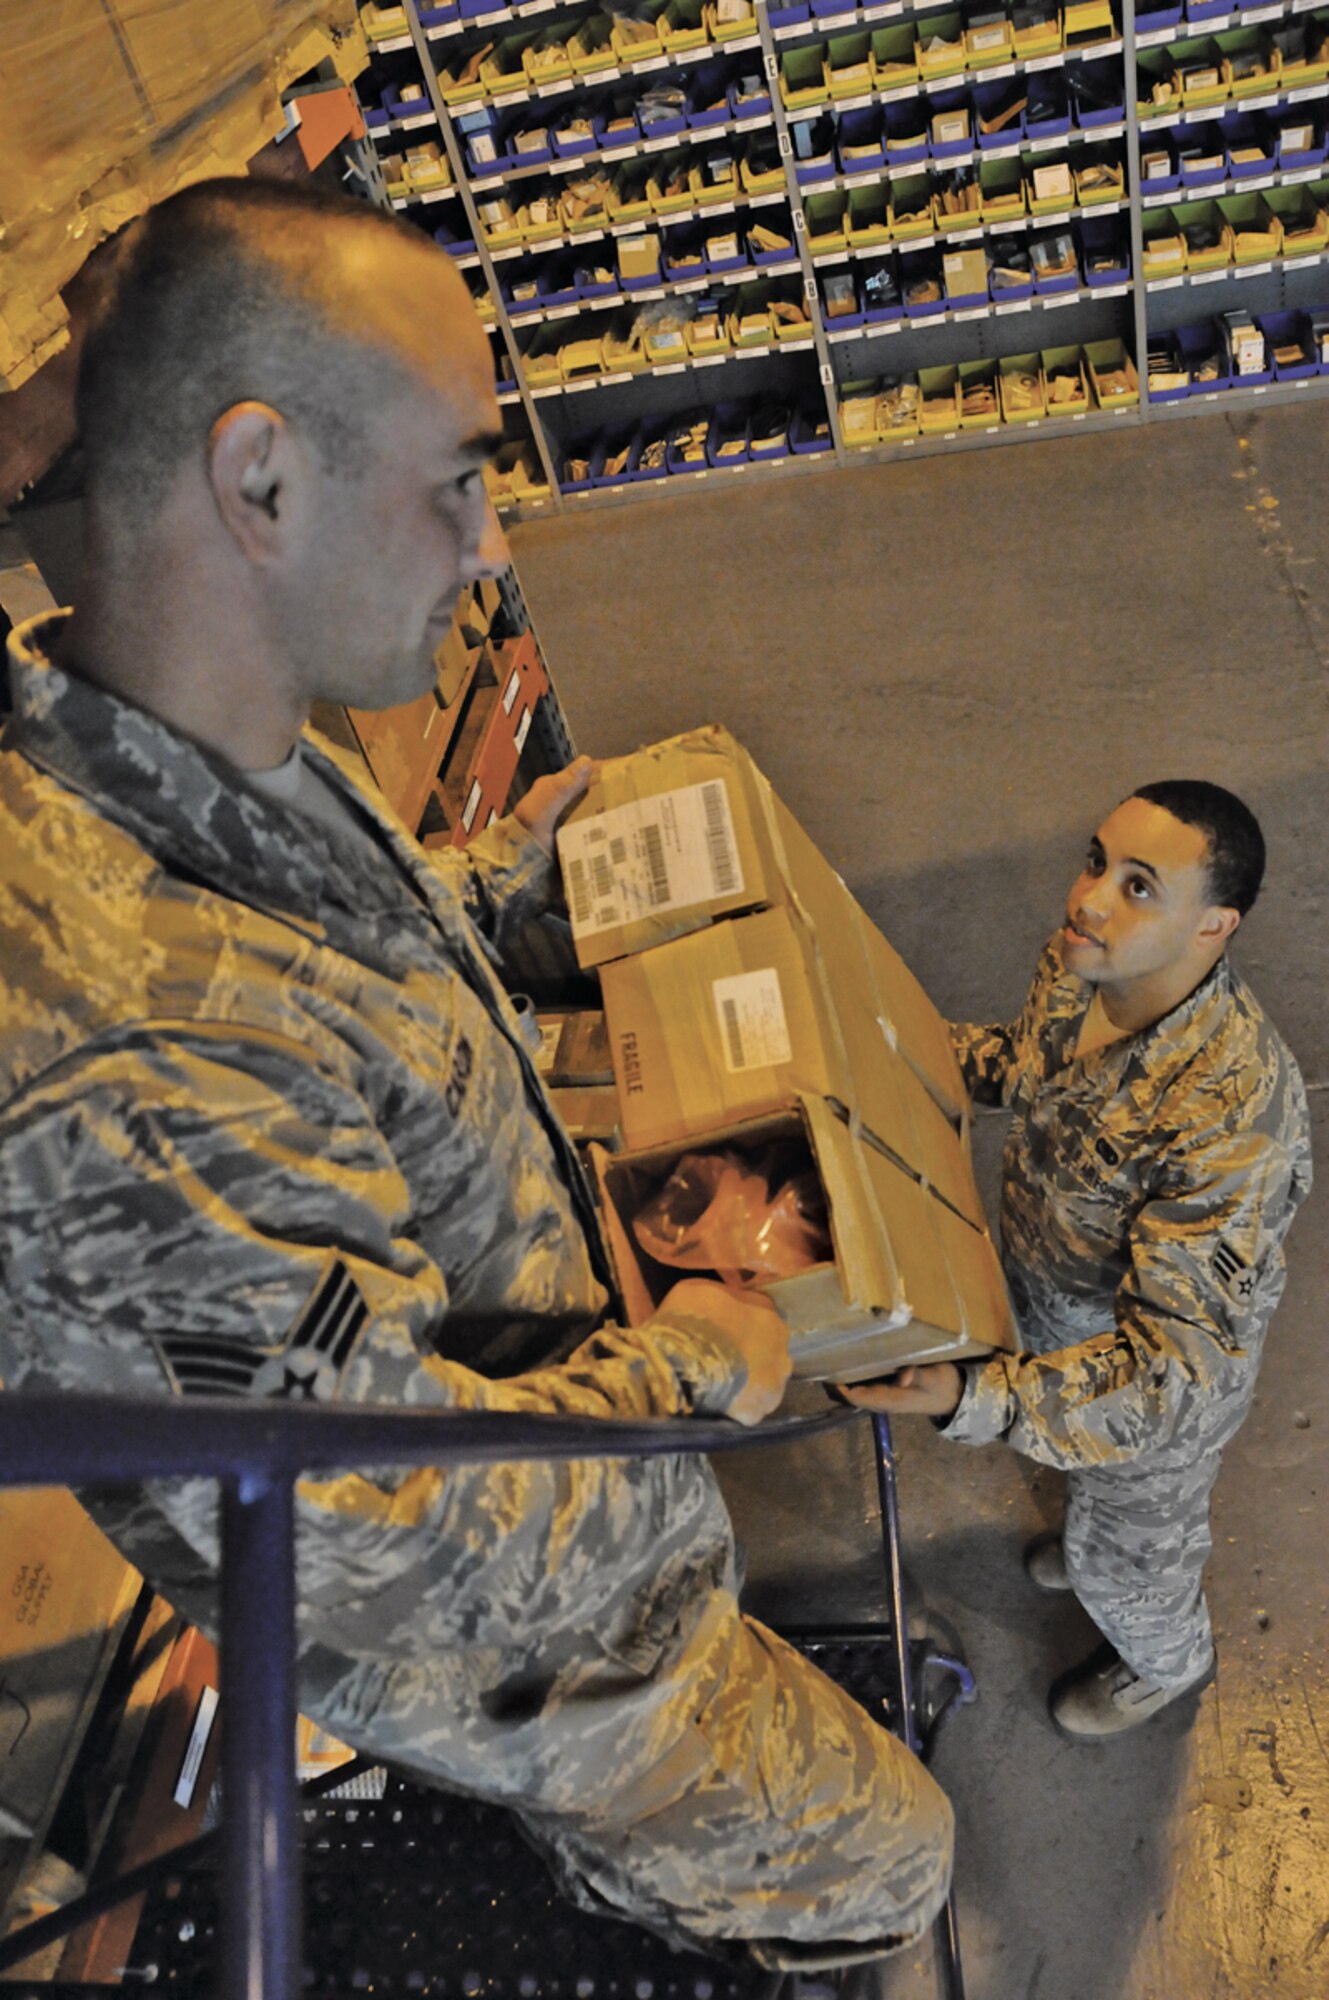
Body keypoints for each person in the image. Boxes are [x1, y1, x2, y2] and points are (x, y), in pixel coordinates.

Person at [0, 177, 953, 1970]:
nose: (489, 544)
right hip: (539, 1646)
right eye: (455, 475)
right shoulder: (129, 1057)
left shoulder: (197, 729)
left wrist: (509, 880)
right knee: (893, 1866)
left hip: (574, 1454)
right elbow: (384, 1538)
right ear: (259, 479)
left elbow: (337, 955)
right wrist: (711, 1361)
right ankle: (646, 1869)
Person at [844, 784, 1312, 1738]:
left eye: (1140, 886)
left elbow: (1164, 1383)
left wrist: (970, 1398)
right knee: (1087, 1500)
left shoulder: (1230, 1118)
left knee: (1127, 1566)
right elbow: (1028, 1068)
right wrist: (907, 1052)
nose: (1089, 899)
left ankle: (1163, 1665)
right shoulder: (1083, 969)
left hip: (1150, 1403)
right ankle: (1093, 1519)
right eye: (1096, 861)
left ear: (1214, 926)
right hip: (1061, 1326)